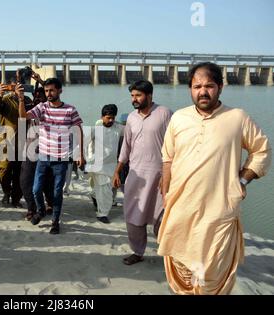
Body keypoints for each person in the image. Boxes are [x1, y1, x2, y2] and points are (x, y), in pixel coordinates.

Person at [158, 62, 271, 295]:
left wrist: (242, 181)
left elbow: (262, 150)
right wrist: (165, 195)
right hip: (181, 209)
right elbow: (167, 159)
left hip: (220, 210)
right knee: (182, 267)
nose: (203, 91)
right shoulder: (178, 118)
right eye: (197, 86)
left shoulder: (237, 117)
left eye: (209, 85)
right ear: (190, 89)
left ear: (220, 87)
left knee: (211, 272)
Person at [113, 80, 172, 265]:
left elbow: (176, 146)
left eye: (138, 95)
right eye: (132, 96)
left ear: (149, 95)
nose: (134, 99)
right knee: (133, 215)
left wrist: (168, 174)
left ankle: (168, 253)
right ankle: (137, 252)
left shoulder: (165, 114)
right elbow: (126, 146)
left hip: (160, 176)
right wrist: (117, 170)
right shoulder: (131, 117)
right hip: (136, 175)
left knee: (163, 218)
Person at [19, 78, 85, 234]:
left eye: (52, 90)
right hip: (43, 157)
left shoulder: (70, 110)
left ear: (60, 90)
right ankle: (41, 211)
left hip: (61, 160)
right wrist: (21, 99)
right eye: (47, 91)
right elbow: (23, 117)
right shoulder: (41, 108)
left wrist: (80, 153)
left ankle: (55, 222)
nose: (49, 94)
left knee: (56, 192)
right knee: (36, 190)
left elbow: (78, 131)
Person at [0, 77, 29, 208]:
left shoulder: (27, 100)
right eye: (14, 87)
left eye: (19, 87)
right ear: (9, 87)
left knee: (19, 174)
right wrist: (0, 94)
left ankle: (16, 199)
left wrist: (22, 98)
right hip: (6, 143)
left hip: (23, 143)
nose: (16, 90)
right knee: (4, 171)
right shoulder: (5, 100)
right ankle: (6, 192)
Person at [20, 85, 55, 221]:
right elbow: (22, 116)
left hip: (49, 151)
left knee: (48, 181)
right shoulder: (30, 110)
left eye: (43, 96)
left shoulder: (53, 110)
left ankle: (50, 203)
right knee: (26, 180)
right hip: (30, 151)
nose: (39, 99)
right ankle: (31, 208)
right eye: (37, 96)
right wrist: (21, 98)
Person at [86, 104, 123, 224]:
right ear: (102, 117)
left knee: (110, 189)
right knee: (105, 189)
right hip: (97, 164)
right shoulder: (95, 128)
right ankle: (102, 214)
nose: (111, 120)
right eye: (108, 118)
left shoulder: (118, 127)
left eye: (113, 118)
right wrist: (82, 158)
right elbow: (83, 142)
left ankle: (94, 196)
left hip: (112, 165)